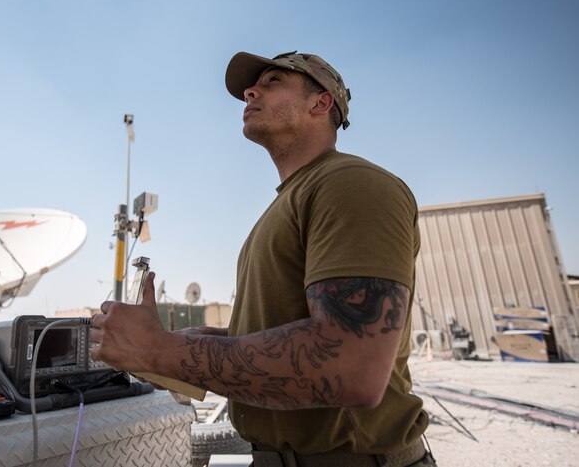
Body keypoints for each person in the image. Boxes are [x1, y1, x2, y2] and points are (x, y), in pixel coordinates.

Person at [90, 50, 435, 467]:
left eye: (273, 82)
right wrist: (189, 344)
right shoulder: (290, 202)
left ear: (321, 103)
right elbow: (286, 333)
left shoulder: (351, 184)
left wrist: (161, 350)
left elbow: (351, 364)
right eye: (252, 87)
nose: (250, 92)